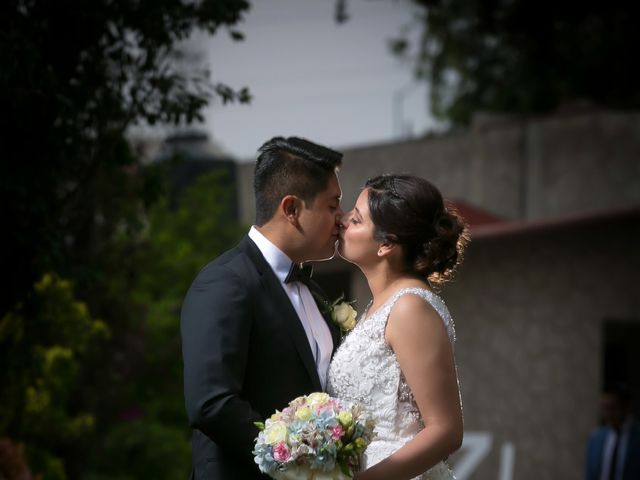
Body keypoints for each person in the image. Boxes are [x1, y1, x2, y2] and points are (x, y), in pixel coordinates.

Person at [180, 136, 344, 479]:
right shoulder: (225, 282)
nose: (341, 220)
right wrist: (295, 461)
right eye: (332, 206)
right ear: (292, 209)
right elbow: (211, 404)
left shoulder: (312, 291)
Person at [327, 173, 467, 480]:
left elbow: (446, 431)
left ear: (386, 244)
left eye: (357, 219)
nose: (342, 219)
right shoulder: (381, 306)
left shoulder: (409, 309)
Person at [586, 384, 640, 480]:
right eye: (605, 408)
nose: (608, 414)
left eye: (613, 408)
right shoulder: (596, 438)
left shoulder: (636, 437)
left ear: (626, 406)